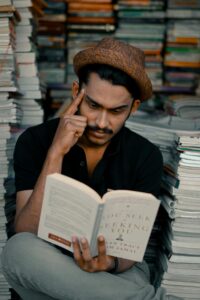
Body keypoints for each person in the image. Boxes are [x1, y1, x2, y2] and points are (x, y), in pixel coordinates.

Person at [1, 38, 182, 300]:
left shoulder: (145, 156)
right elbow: (27, 231)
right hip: (50, 264)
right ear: (77, 92)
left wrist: (108, 263)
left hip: (115, 273)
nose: (101, 122)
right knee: (17, 251)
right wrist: (56, 153)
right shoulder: (36, 141)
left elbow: (130, 253)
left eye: (117, 111)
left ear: (134, 108)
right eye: (94, 105)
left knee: (129, 278)